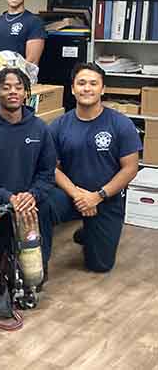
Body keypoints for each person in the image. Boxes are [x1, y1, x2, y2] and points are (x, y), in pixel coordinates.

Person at [0, 68, 56, 282]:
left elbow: (47, 173)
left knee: (33, 278)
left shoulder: (40, 129)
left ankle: (34, 274)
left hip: (30, 206)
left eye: (18, 87)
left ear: (26, 93)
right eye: (6, 87)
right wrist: (8, 198)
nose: (13, 92)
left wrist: (31, 196)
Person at [47, 63, 141, 272]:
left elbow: (130, 169)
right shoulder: (58, 125)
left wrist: (97, 196)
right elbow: (50, 168)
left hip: (106, 197)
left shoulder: (120, 124)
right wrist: (78, 196)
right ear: (72, 89)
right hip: (70, 196)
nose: (87, 88)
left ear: (103, 89)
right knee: (43, 205)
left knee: (100, 266)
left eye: (93, 83)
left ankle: (87, 232)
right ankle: (38, 265)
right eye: (81, 83)